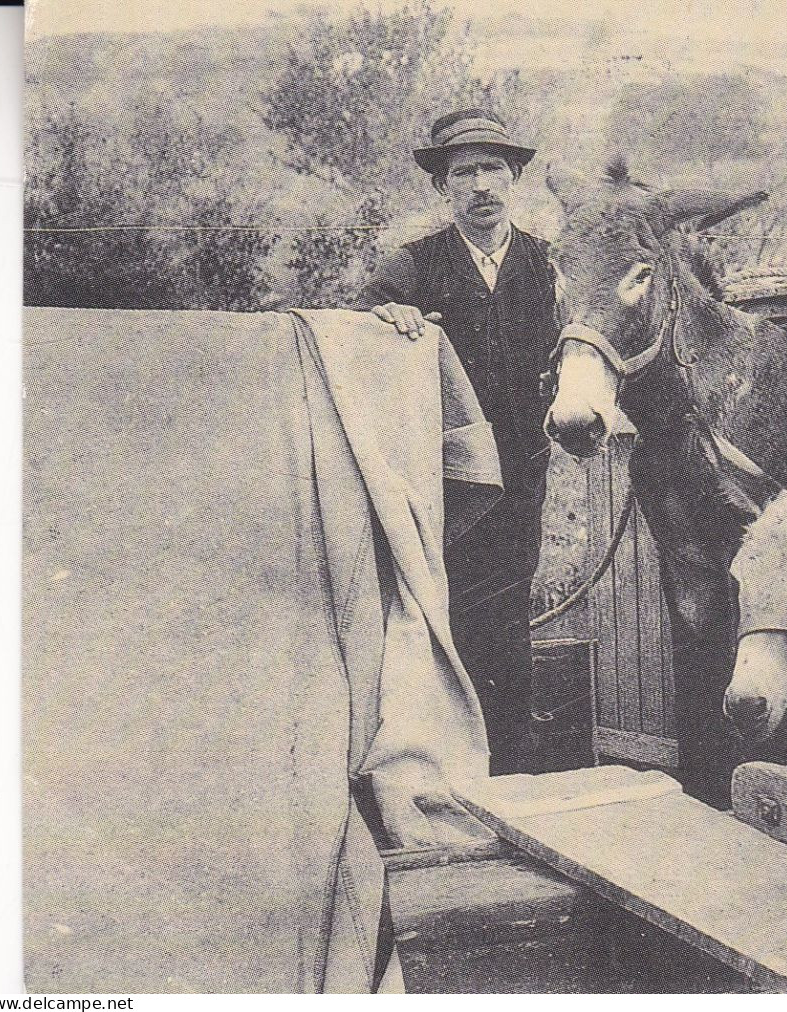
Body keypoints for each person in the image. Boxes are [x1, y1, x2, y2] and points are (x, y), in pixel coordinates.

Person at [358, 108, 559, 775]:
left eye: (492, 168)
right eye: (463, 172)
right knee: (446, 607)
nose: (480, 185)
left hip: (525, 470)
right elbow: (359, 337)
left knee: (509, 608)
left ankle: (510, 766)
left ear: (516, 177)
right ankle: (452, 761)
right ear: (441, 188)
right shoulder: (412, 266)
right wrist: (390, 318)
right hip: (445, 478)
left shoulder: (548, 265)